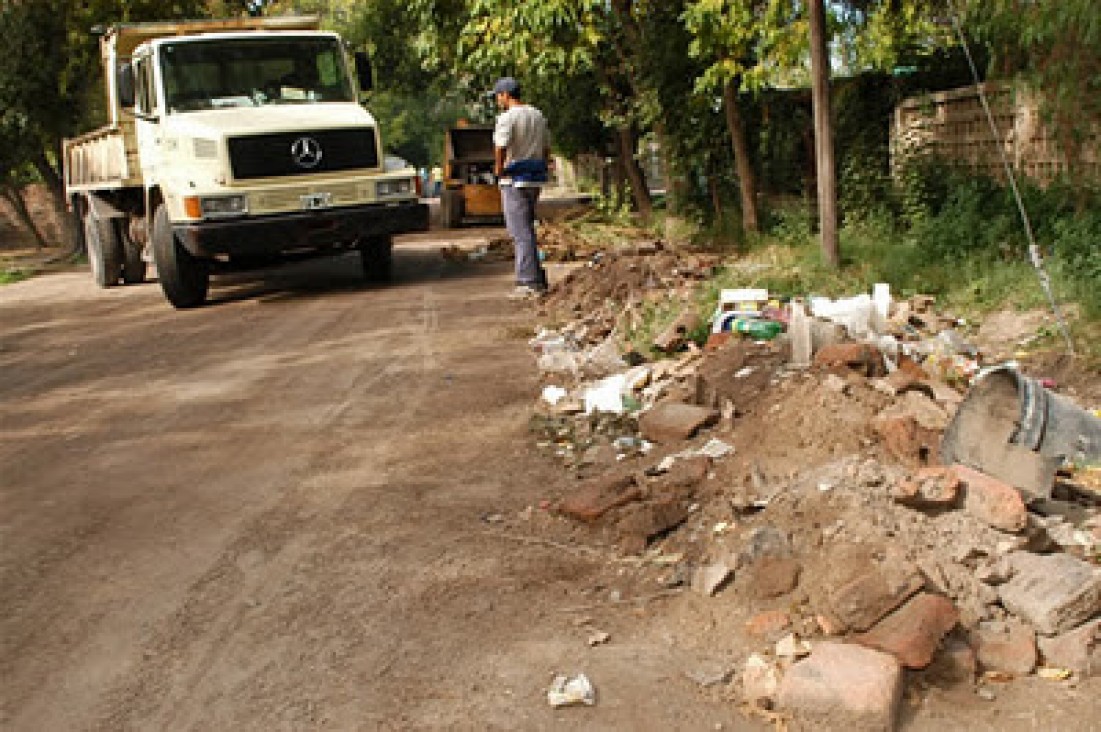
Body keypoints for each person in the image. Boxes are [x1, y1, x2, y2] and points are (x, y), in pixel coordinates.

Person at [491, 76, 551, 299]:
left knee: (520, 232)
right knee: (528, 229)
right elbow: (546, 147)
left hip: (514, 180)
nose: (498, 100)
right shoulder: (537, 115)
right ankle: (537, 277)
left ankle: (528, 282)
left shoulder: (507, 118)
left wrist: (499, 170)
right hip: (535, 178)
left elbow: (500, 146)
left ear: (506, 95)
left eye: (498, 96)